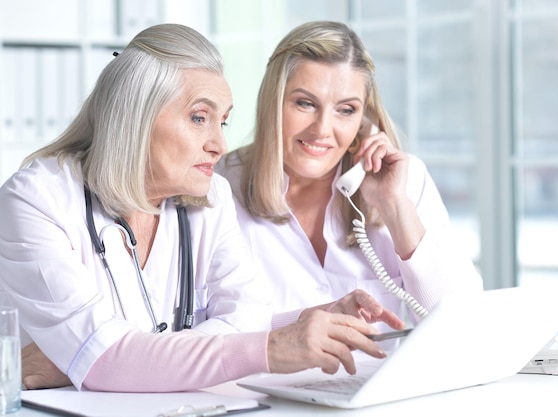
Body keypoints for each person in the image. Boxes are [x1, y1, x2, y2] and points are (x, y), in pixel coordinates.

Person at [0, 23, 395, 393]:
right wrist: (111, 358)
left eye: (222, 122)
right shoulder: (37, 201)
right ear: (135, 116)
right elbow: (106, 360)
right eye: (199, 117)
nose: (219, 145)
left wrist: (307, 322)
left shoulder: (212, 198)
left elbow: (249, 321)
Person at [216, 21, 483, 331]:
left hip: (380, 379)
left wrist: (394, 206)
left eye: (346, 110)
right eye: (305, 103)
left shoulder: (404, 184)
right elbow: (218, 332)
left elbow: (464, 327)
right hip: (257, 381)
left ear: (363, 118)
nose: (322, 130)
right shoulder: (220, 187)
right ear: (272, 104)